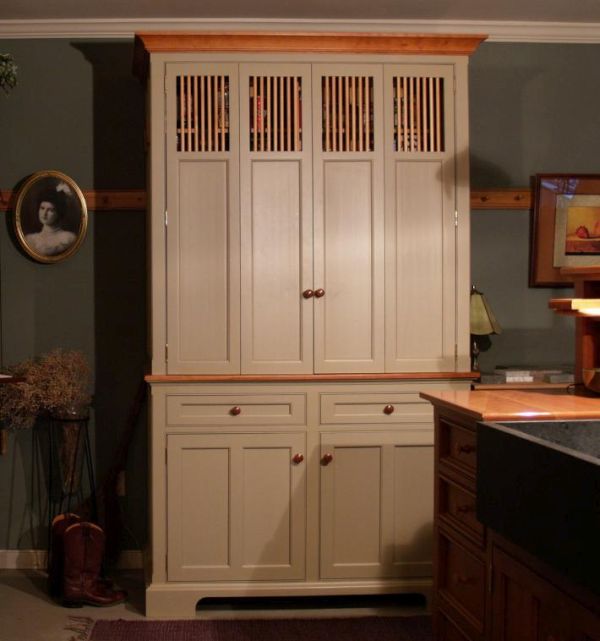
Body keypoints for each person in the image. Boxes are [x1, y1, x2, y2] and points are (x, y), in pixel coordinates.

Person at [24, 183, 76, 257]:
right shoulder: (30, 239)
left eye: (50, 210)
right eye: (42, 208)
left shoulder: (69, 238)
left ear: (59, 213)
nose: (44, 213)